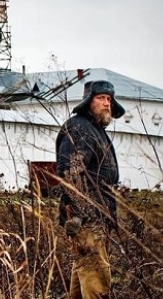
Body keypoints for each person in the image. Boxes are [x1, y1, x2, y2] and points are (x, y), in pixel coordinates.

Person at [56, 80, 125, 299]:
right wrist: (81, 214)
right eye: (101, 98)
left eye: (109, 99)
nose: (107, 103)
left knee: (85, 277)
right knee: (96, 281)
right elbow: (70, 173)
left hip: (95, 216)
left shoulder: (94, 130)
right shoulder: (80, 128)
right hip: (88, 219)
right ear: (88, 102)